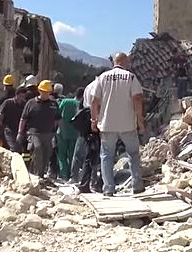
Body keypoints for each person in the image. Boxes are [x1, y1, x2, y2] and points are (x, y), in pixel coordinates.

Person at [91, 52, 145, 197]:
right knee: (133, 154)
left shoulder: (102, 77)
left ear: (114, 62)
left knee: (107, 156)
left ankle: (108, 188)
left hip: (107, 124)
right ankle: (137, 185)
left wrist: (94, 120)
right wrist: (140, 121)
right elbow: (137, 99)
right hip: (128, 124)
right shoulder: (131, 77)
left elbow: (94, 101)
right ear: (125, 62)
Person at [16, 80, 62, 180]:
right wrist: (20, 132)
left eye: (47, 92)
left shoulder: (53, 104)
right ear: (39, 91)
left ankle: (40, 174)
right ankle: (37, 175)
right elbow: (23, 119)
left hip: (49, 134)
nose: (45, 94)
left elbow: (58, 119)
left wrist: (56, 132)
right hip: (34, 133)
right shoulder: (31, 103)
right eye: (43, 91)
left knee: (47, 154)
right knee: (37, 150)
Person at [56, 87, 84, 180]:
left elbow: (57, 114)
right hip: (75, 133)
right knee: (72, 155)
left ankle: (64, 175)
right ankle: (72, 175)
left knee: (61, 155)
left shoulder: (65, 101)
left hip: (62, 132)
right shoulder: (81, 105)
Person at [0, 86, 27, 152]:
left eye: (23, 97)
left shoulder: (24, 105)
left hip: (19, 130)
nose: (21, 99)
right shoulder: (7, 103)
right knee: (14, 148)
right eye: (20, 96)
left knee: (19, 148)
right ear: (16, 95)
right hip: (8, 129)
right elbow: (0, 117)